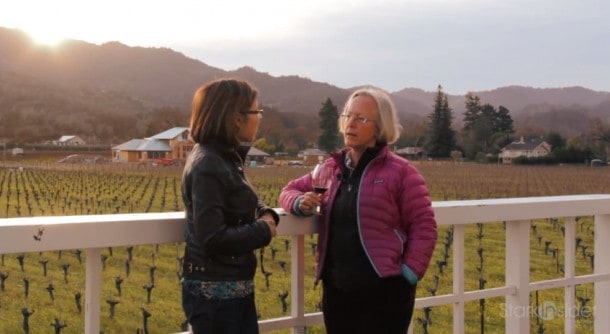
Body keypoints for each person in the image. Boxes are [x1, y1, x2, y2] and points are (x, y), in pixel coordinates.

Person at [279, 86, 437, 333]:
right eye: (347, 116)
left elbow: (424, 225)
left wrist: (409, 274)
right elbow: (289, 190)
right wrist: (299, 203)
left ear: (380, 126)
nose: (350, 124)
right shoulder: (332, 167)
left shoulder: (402, 172)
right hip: (337, 289)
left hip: (385, 291)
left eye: (361, 118)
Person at [181, 78, 279, 334]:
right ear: (237, 118)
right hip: (216, 296)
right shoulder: (209, 164)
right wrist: (264, 230)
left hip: (227, 289)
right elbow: (212, 237)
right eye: (257, 111)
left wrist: (265, 212)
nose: (259, 117)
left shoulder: (224, 157)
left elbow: (242, 197)